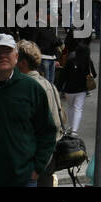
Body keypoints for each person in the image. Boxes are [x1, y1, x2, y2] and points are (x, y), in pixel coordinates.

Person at [0, 33, 56, 187]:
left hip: (23, 179)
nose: (2, 56)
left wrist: (37, 169)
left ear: (16, 56)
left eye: (7, 51)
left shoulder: (31, 88)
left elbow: (47, 131)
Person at [14, 40, 64, 187]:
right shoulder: (49, 84)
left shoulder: (28, 87)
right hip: (49, 155)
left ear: (22, 63)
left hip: (37, 157)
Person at [57, 36, 94, 134]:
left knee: (70, 107)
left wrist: (59, 87)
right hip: (81, 89)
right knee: (78, 108)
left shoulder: (70, 60)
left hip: (69, 89)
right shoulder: (88, 62)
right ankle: (74, 130)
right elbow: (94, 74)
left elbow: (63, 75)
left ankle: (70, 126)